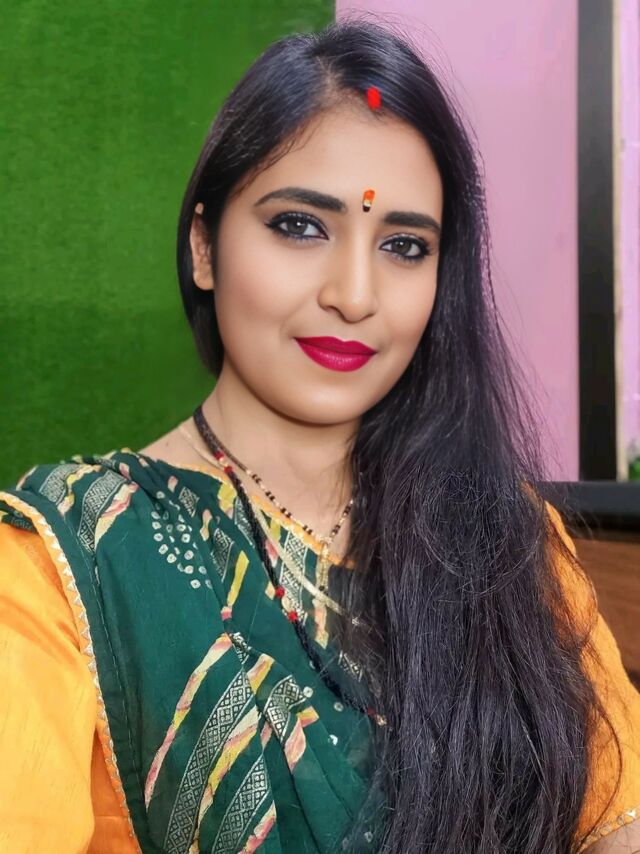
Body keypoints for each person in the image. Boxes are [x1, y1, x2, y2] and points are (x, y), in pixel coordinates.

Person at [1, 18, 639, 854]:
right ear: (204, 246)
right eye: (301, 225)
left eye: (404, 245)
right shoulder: (65, 563)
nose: (355, 293)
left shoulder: (511, 541)